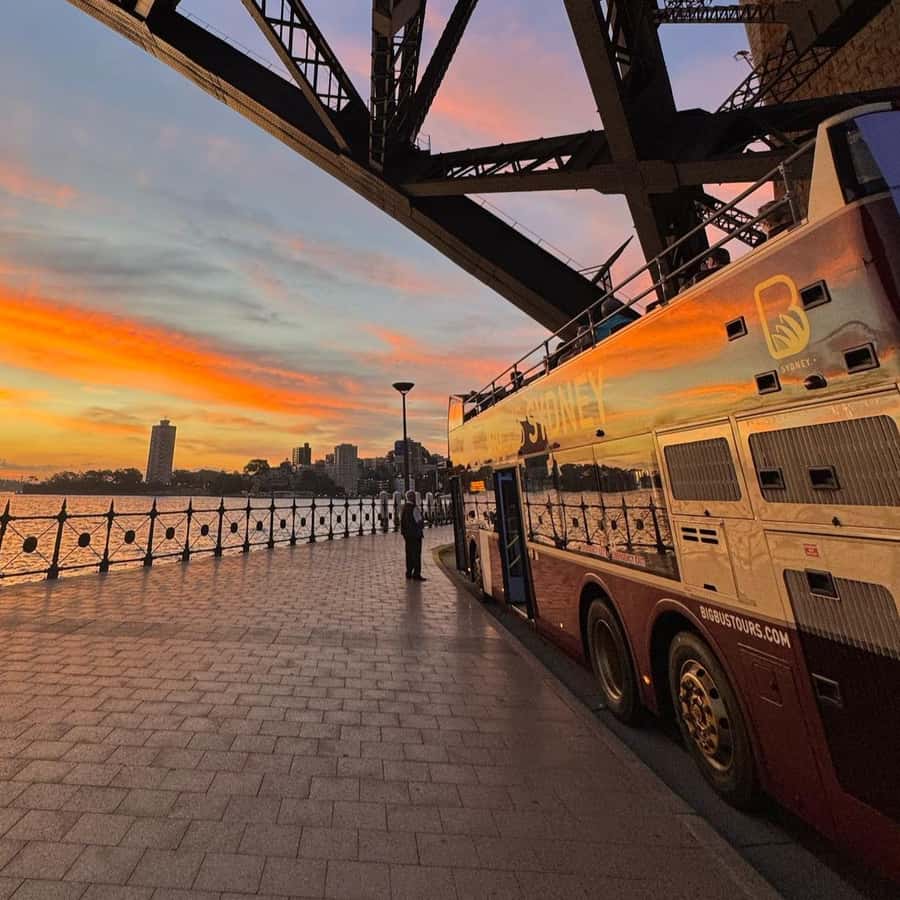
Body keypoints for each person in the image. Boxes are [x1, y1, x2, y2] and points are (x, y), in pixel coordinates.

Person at [400, 490, 426, 581]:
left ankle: (408, 572)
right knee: (416, 554)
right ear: (412, 497)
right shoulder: (414, 508)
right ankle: (416, 574)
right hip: (415, 535)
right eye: (414, 496)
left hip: (407, 535)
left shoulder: (404, 508)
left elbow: (402, 522)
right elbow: (419, 522)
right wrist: (422, 524)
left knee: (409, 554)